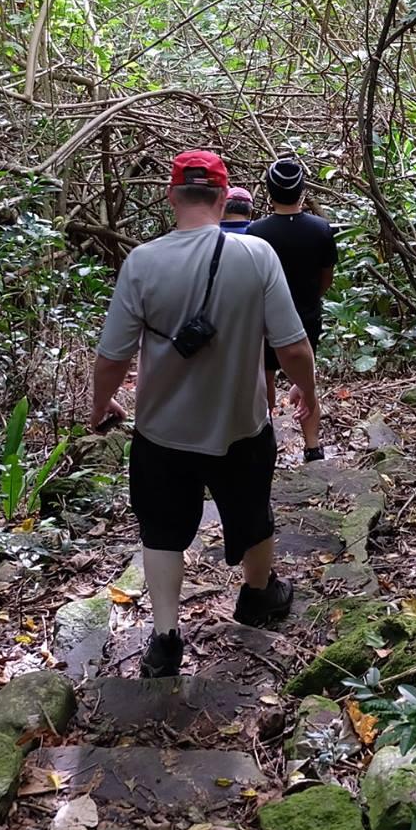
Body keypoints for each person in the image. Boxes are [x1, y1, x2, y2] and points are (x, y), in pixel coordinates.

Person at [90, 148, 321, 679]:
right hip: (240, 425)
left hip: (162, 432)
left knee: (162, 531)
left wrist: (101, 405)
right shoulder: (258, 256)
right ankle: (257, 596)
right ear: (222, 197)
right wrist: (307, 392)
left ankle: (167, 638)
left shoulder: (142, 262)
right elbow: (293, 346)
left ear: (172, 196)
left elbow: (112, 357)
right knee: (253, 513)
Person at [246, 153, 338, 464]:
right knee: (306, 380)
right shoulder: (321, 229)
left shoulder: (256, 232)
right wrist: (309, 298)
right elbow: (326, 278)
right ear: (302, 192)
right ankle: (312, 447)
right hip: (306, 316)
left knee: (266, 377)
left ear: (269, 193)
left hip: (265, 318)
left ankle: (267, 435)